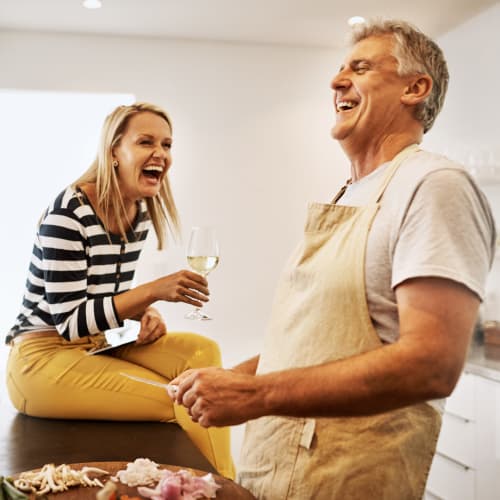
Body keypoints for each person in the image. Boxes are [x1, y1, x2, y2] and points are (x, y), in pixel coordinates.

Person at [167, 20, 497, 499]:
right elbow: (318, 343)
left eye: (360, 68)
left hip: (349, 480)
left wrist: (254, 395)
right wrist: (236, 378)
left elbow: (432, 363)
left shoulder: (435, 186)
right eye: (340, 68)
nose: (336, 81)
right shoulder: (350, 193)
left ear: (415, 88)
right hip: (278, 469)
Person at [5, 102, 234, 479]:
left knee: (202, 351)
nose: (160, 153)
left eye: (167, 144)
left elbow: (103, 300)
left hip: (94, 346)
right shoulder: (70, 212)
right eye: (146, 142)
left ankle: (218, 483)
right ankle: (222, 487)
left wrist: (144, 313)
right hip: (40, 360)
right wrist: (152, 292)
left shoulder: (138, 214)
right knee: (186, 397)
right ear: (114, 151)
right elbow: (71, 322)